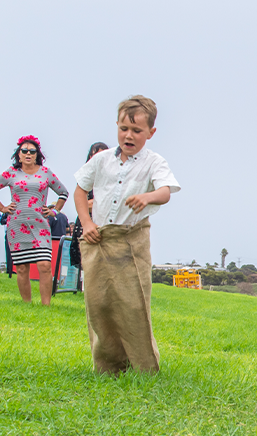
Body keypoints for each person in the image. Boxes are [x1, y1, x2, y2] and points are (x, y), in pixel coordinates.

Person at [75, 95, 179, 374]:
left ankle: (143, 366)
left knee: (133, 305)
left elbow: (165, 192)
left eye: (137, 131)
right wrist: (86, 223)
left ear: (151, 133)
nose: (128, 136)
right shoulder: (101, 160)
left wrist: (147, 197)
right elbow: (80, 190)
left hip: (131, 241)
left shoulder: (154, 162)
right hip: (100, 239)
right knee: (99, 304)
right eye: (123, 129)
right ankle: (108, 365)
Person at [0, 135, 70, 306]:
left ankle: (46, 305)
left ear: (38, 154)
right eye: (24, 151)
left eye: (32, 151)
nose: (28, 154)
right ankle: (27, 304)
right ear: (19, 154)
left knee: (45, 265)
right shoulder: (11, 173)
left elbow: (63, 192)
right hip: (17, 225)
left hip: (40, 225)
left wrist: (55, 209)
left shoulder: (46, 173)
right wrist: (2, 208)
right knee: (22, 267)